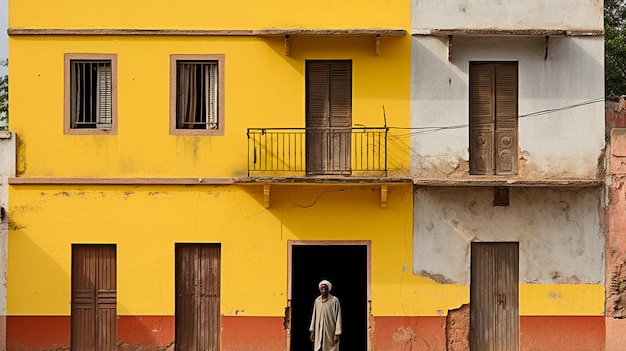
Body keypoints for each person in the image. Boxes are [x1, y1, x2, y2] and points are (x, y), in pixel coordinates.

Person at [309, 279, 342, 351]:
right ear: (319, 290)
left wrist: (337, 333)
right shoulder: (317, 301)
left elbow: (338, 317)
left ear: (328, 289)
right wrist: (312, 331)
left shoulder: (334, 300)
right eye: (322, 289)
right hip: (318, 330)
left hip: (330, 330)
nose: (323, 290)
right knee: (319, 347)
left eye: (325, 288)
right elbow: (314, 316)